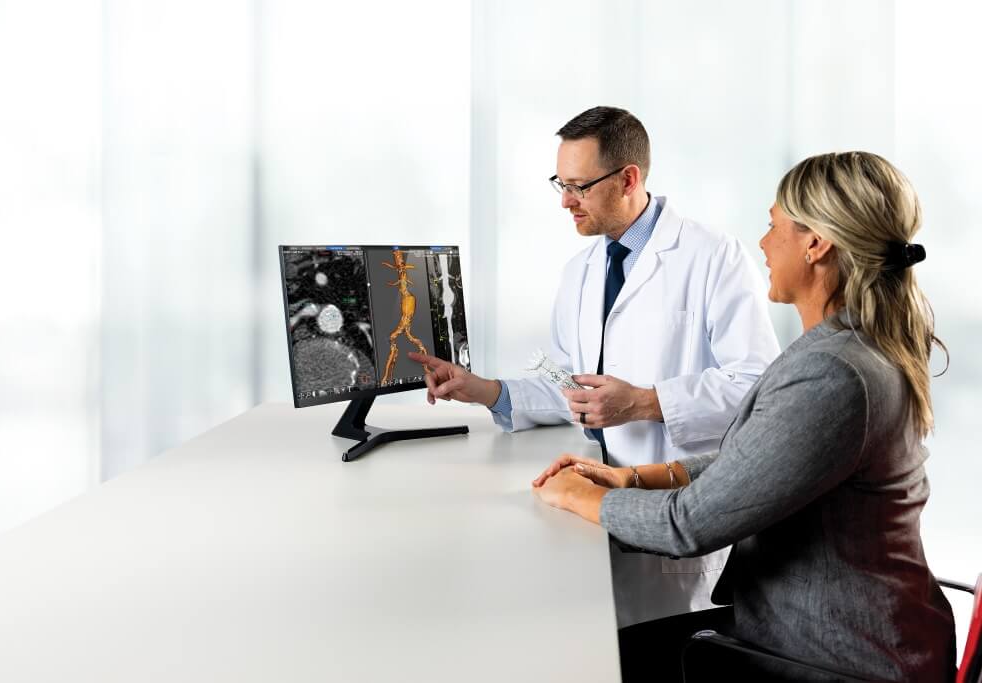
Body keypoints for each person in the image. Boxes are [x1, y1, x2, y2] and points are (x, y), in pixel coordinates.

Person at [533, 151, 956, 682]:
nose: (762, 243)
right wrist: (632, 477)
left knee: (593, 663)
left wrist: (578, 495)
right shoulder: (848, 349)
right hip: (833, 634)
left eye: (773, 225)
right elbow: (759, 456)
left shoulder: (835, 374)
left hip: (830, 656)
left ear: (816, 244)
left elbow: (687, 525)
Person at [409, 106, 780, 628]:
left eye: (579, 186)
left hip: (671, 516)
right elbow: (570, 383)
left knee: (658, 657)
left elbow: (758, 391)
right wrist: (486, 390)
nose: (565, 201)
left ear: (629, 179)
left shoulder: (714, 257)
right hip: (591, 504)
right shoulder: (582, 269)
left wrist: (644, 402)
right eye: (560, 184)